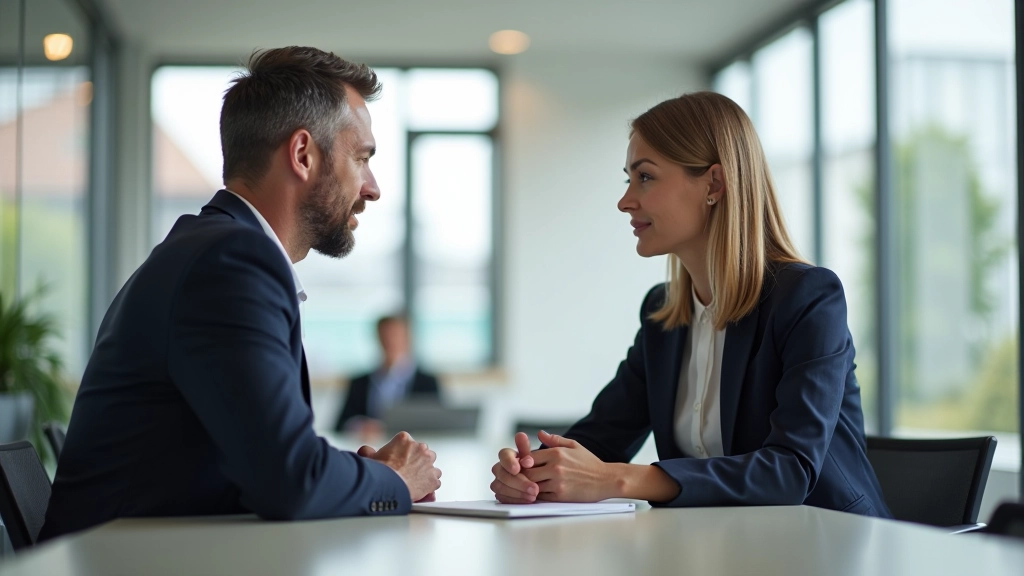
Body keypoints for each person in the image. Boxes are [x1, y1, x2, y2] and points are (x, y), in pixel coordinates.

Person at [40, 47, 441, 541]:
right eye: (361, 159)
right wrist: (393, 480)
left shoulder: (214, 247)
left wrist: (351, 473)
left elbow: (268, 459)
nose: (373, 188)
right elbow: (292, 481)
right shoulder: (232, 263)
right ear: (302, 155)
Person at [489, 92, 891, 518]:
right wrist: (533, 471)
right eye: (628, 180)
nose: (626, 201)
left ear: (714, 184)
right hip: (718, 546)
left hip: (830, 546)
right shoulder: (663, 314)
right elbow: (600, 440)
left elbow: (790, 472)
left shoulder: (808, 299)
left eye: (645, 177)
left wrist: (620, 479)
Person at [333, 314, 442, 434]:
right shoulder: (359, 383)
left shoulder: (428, 382)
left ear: (407, 338)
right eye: (385, 335)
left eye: (395, 335)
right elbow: (340, 424)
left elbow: (437, 425)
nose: (390, 341)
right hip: (370, 448)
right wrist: (360, 426)